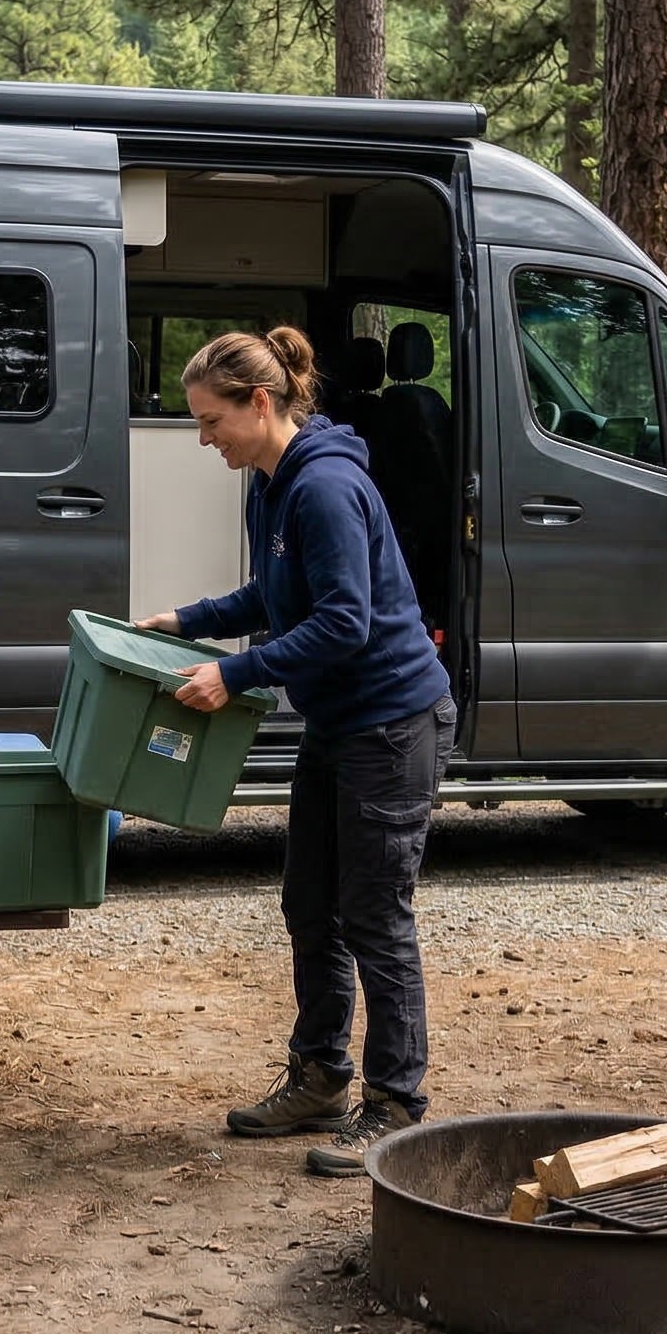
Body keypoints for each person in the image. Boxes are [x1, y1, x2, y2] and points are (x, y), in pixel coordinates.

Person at [137, 326, 457, 1176]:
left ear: (261, 403)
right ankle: (320, 1076)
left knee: (375, 918)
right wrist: (188, 621)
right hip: (338, 723)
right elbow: (277, 593)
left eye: (211, 421)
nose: (205, 438)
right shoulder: (270, 481)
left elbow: (344, 621)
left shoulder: (323, 487)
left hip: (392, 722)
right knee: (310, 906)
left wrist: (233, 674)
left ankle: (396, 1104)